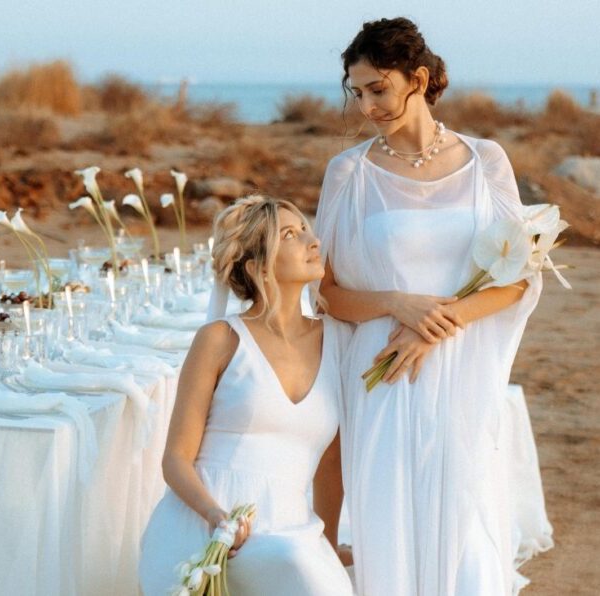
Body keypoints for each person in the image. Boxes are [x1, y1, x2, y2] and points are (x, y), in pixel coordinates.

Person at [314, 17, 551, 595]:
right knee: (391, 517)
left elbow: (519, 277)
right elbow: (326, 293)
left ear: (417, 79)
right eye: (357, 91)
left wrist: (437, 325)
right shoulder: (348, 174)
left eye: (378, 89)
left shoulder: (486, 161)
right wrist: (399, 303)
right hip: (383, 373)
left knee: (465, 520)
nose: (367, 105)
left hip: (460, 366)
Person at [139, 196, 353, 595]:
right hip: (204, 532)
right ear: (259, 267)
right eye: (290, 235)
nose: (312, 241)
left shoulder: (339, 340)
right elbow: (176, 459)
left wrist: (329, 542)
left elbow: (331, 461)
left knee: (311, 573)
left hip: (291, 532)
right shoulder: (219, 340)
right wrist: (216, 517)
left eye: (306, 229)